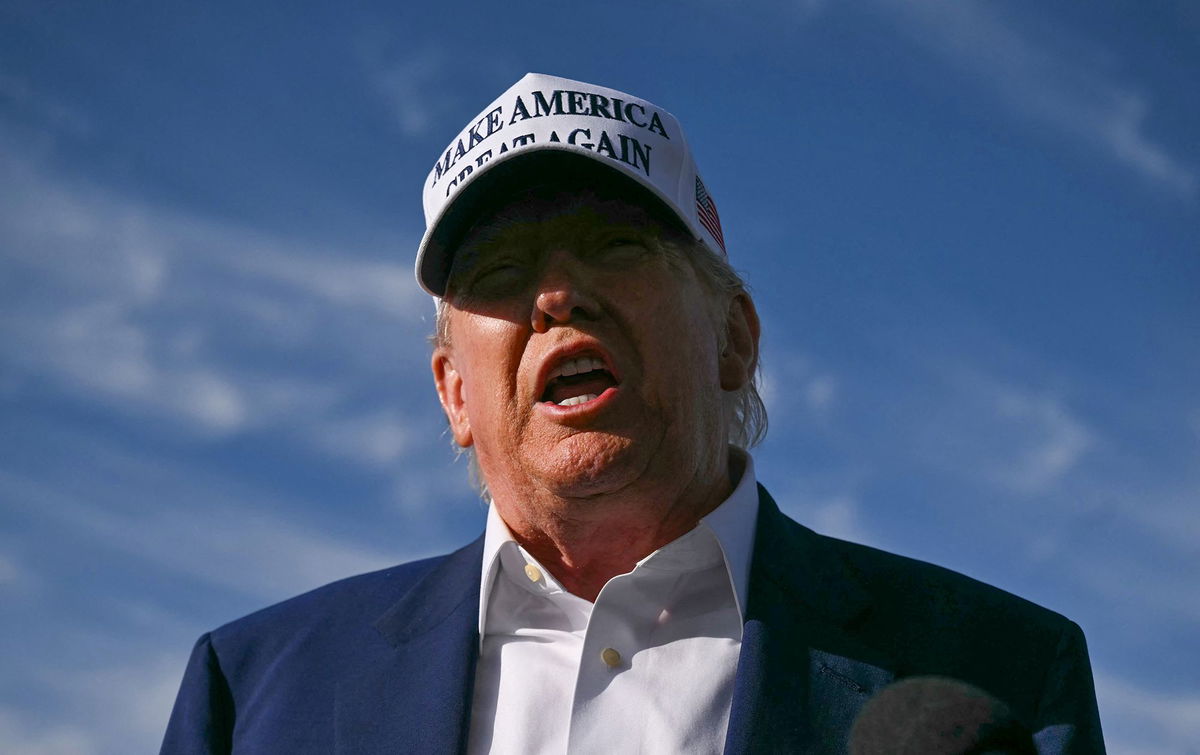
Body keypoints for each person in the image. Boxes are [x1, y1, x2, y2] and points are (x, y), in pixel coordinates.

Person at [161, 73, 1105, 754]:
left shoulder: (1005, 676)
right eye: (498, 272)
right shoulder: (253, 693)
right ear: (454, 391)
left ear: (735, 339)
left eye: (615, 245)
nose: (558, 295)